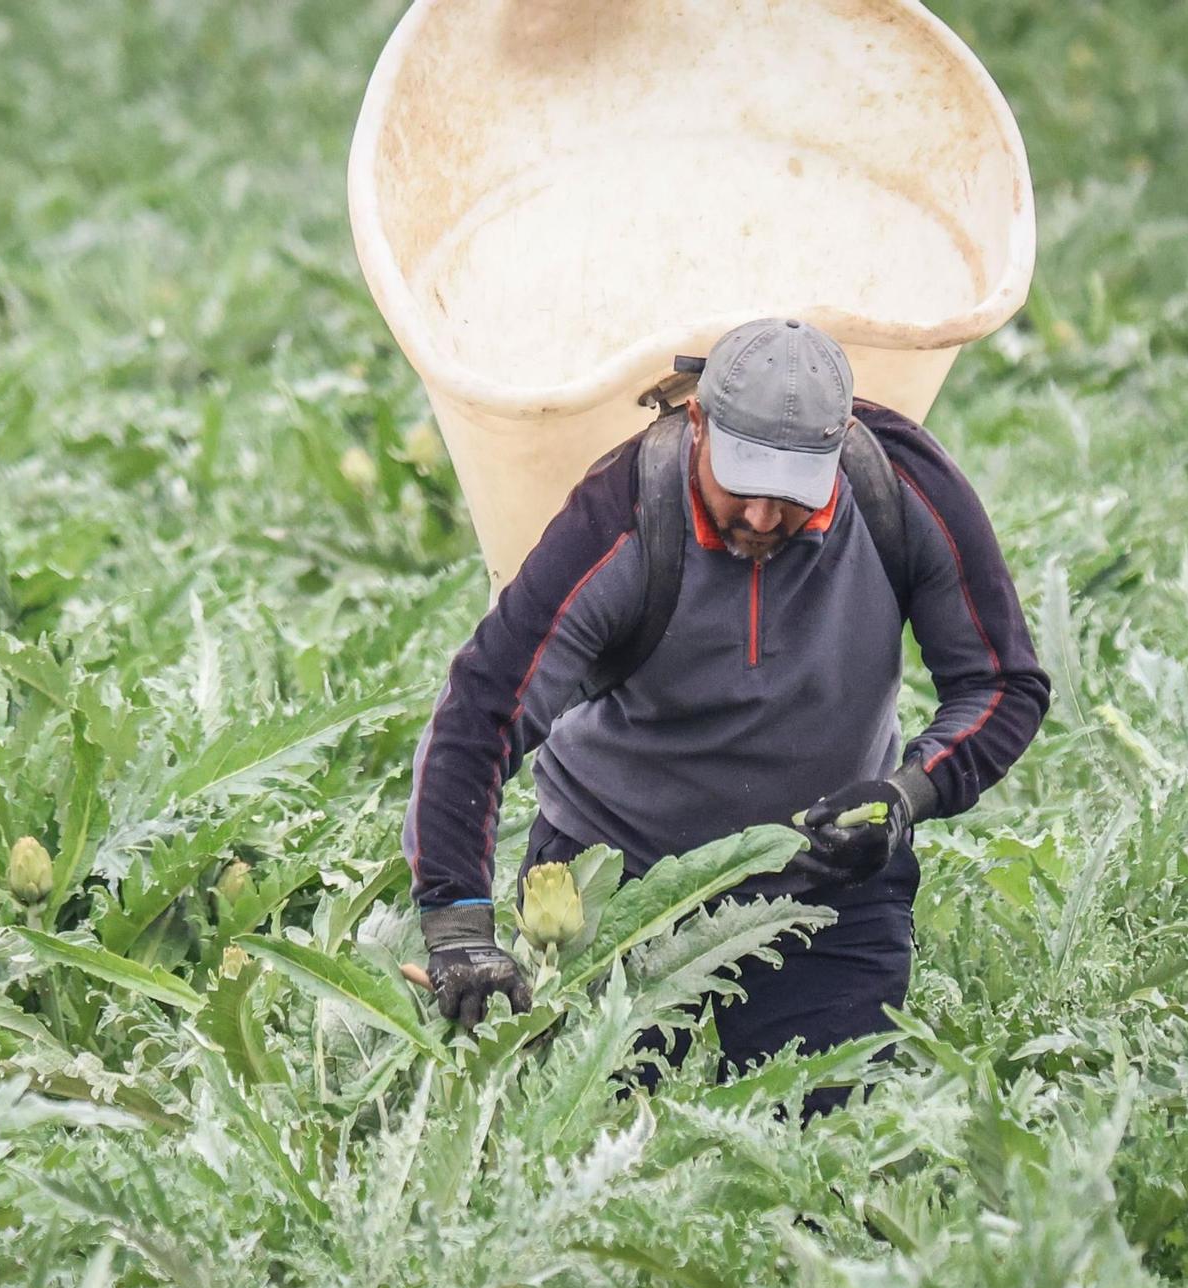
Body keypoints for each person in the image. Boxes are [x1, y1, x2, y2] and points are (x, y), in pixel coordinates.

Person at [402, 316, 1051, 1118]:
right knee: (604, 1150)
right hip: (618, 892)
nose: (760, 515)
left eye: (792, 497)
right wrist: (459, 923)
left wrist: (905, 796)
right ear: (698, 424)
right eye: (741, 482)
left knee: (818, 1154)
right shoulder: (622, 517)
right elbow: (482, 712)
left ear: (841, 448)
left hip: (824, 884)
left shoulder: (902, 486)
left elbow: (1001, 683)